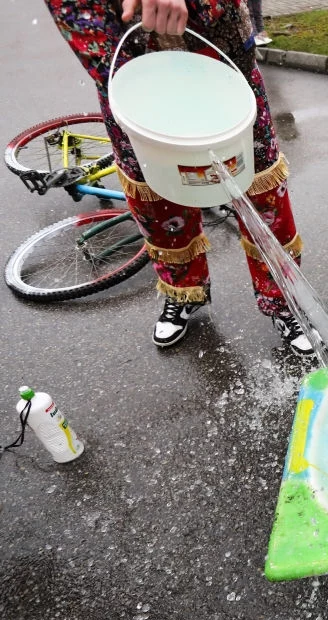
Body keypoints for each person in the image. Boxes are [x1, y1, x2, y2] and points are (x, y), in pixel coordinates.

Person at [45, 0, 311, 355]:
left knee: (258, 184)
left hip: (214, 48)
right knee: (156, 194)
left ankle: (283, 300)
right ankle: (183, 289)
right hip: (126, 55)